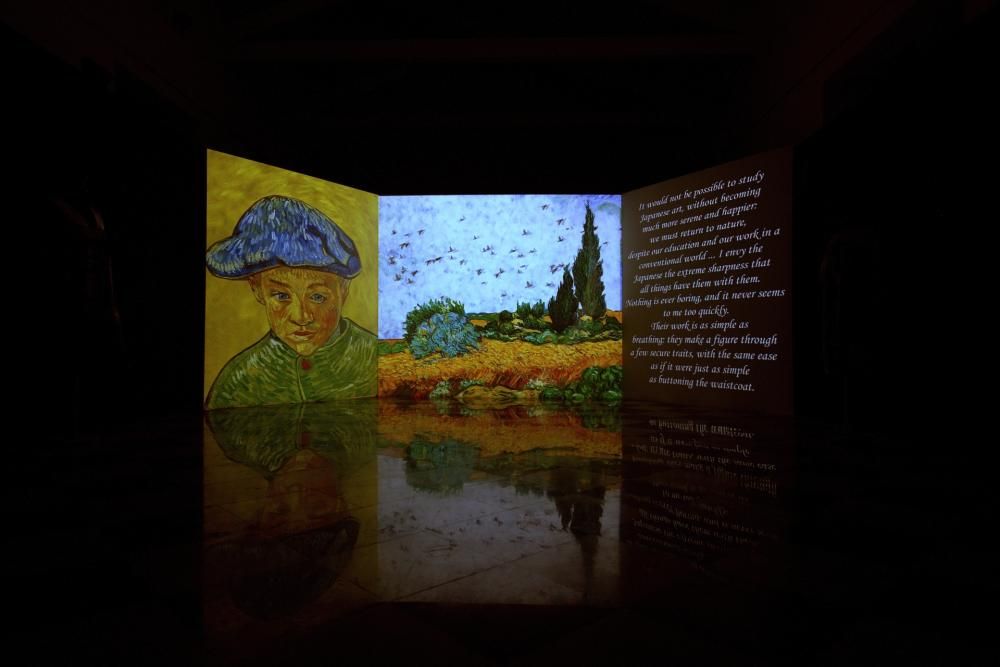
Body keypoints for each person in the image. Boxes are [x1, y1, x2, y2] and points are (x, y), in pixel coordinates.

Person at [205, 195, 376, 409]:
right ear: (257, 290)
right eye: (281, 296)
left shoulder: (375, 358)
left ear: (343, 290)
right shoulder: (238, 381)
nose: (301, 317)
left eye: (318, 297)